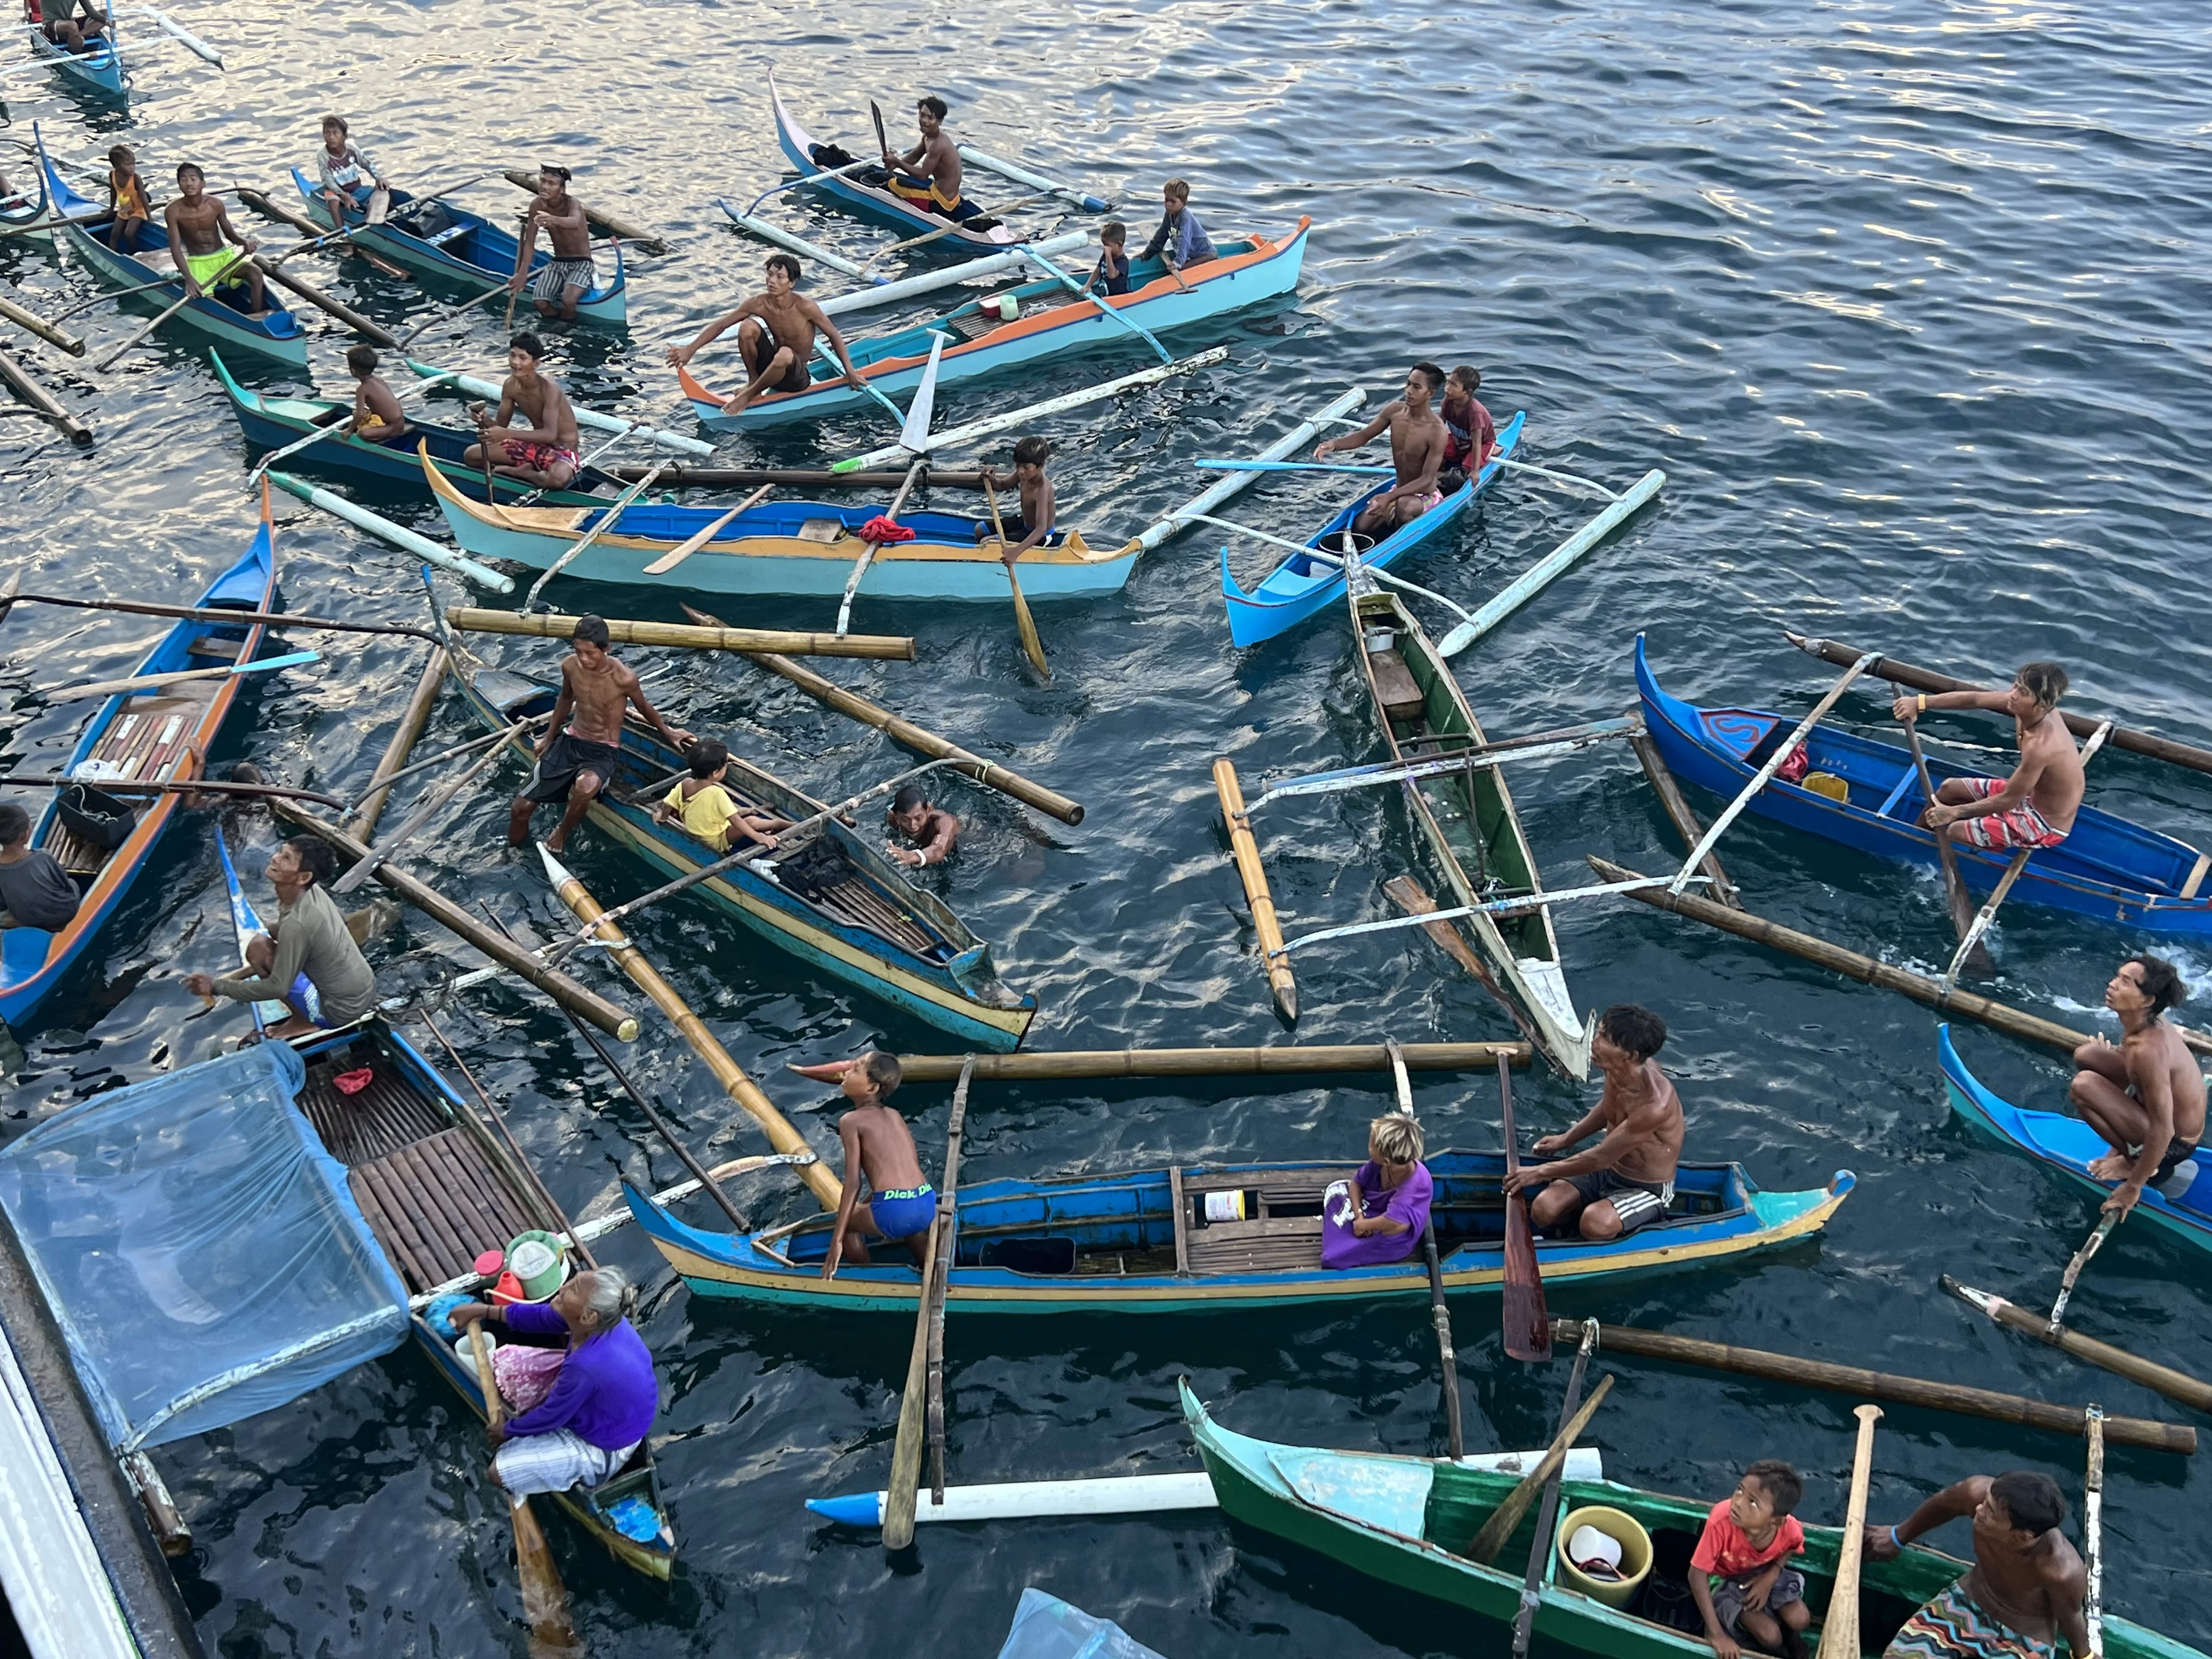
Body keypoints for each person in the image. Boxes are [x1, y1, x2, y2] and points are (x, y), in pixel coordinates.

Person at [449, 1267, 657, 1498]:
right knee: (508, 1368)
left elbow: (553, 1416)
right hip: (615, 1414)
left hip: (606, 1446)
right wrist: (482, 1310)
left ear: (589, 1316)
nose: (563, 1287)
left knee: (497, 1473)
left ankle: (583, 1474)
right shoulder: (605, 1323)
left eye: (573, 1290)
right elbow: (542, 1317)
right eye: (572, 1282)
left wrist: (506, 1431)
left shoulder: (585, 1365)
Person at [506, 613, 695, 855]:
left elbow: (644, 707)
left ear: (607, 649)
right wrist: (548, 737)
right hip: (571, 741)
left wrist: (668, 733)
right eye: (579, 651)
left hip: (602, 752)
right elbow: (565, 698)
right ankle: (512, 852)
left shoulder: (624, 678)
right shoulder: (570, 666)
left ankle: (561, 832)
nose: (584, 659)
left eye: (590, 653)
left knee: (585, 789)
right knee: (520, 808)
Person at [1504, 1003, 1684, 1239]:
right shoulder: (1615, 1069)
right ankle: (1576, 1230)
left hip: (1645, 1187)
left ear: (1630, 1056)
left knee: (1595, 1223)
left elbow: (1601, 1157)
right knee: (1543, 1209)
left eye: (1605, 1039)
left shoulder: (1654, 1106)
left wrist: (1539, 1172)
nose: (1594, 1041)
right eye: (1599, 1032)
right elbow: (1608, 1108)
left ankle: (1632, 1226)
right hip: (1606, 1172)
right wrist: (1565, 1140)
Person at [1866, 1472, 2091, 1659]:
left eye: (1991, 1512)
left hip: (2023, 1641)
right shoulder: (1977, 1494)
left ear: (2023, 1536)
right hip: (1965, 1603)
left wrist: (2084, 1656)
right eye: (1986, 1502)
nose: (1979, 1510)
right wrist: (1898, 1537)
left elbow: (2071, 1616)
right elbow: (1945, 1503)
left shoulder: (2061, 1571)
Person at [186, 836, 377, 1037]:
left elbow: (277, 988)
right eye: (280, 851)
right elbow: (340, 921)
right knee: (274, 929)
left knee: (258, 949)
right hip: (365, 989)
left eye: (286, 858)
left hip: (337, 1012)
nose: (275, 858)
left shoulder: (296, 924)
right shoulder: (313, 891)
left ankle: (302, 1021)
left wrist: (217, 986)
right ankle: (293, 984)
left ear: (303, 877)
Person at [1893, 663, 2083, 852]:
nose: (2013, 695)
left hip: (2045, 824)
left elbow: (2008, 800)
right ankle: (1914, 839)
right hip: (2027, 795)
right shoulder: (2022, 707)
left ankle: (1985, 861)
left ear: (2042, 705)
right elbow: (1975, 699)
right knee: (1949, 788)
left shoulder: (2042, 747)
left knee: (1955, 830)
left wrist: (1954, 812)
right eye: (2016, 686)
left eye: (2023, 693)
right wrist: (1919, 703)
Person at [2069, 954, 2204, 1215]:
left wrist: (2133, 1186)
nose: (2112, 984)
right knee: (2086, 1055)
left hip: (2174, 1144)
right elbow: (2137, 1073)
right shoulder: (2146, 1022)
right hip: (2161, 1120)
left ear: (2148, 1000)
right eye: (2117, 976)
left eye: (2126, 982)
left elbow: (2163, 1129)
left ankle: (2134, 1161)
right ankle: (2132, 1146)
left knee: (2083, 1085)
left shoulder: (2148, 1052)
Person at [662, 255, 868, 417]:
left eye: (779, 277)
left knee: (786, 354)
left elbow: (834, 335)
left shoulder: (805, 307)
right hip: (772, 368)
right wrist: (691, 349)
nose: (772, 281)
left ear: (792, 283)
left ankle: (748, 397)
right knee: (747, 327)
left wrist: (849, 371)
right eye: (769, 275)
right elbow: (722, 324)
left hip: (796, 378)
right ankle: (754, 382)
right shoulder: (759, 303)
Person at [800, 1051, 936, 1278]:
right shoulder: (895, 1115)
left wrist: (837, 1240)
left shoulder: (850, 1121)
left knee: (848, 1227)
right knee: (909, 1225)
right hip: (925, 1201)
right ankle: (928, 1270)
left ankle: (868, 1275)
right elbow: (906, 1167)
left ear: (872, 1088)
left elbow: (853, 1182)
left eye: (855, 1070)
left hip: (896, 1212)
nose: (846, 1072)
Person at [1312, 362, 1452, 539]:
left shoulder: (1436, 431)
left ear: (1430, 393)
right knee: (1360, 527)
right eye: (1408, 383)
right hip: (1399, 490)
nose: (1409, 391)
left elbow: (1426, 480)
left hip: (1425, 497)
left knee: (1404, 507)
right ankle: (1391, 528)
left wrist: (1390, 497)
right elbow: (1364, 436)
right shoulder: (1394, 411)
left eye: (1416, 387)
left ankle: (1399, 540)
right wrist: (1334, 444)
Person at [1689, 1460, 1810, 1659]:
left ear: (1776, 1521)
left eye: (1752, 1502)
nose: (1737, 1502)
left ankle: (1793, 1638)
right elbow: (1696, 1574)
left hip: (1763, 1572)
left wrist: (1771, 1576)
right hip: (1724, 1580)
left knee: (1801, 1619)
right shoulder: (1721, 1521)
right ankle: (1781, 1653)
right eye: (1739, 1490)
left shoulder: (1789, 1529)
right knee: (1770, 1636)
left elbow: (1793, 1545)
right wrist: (1717, 1634)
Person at [464, 333, 582, 489]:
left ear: (536, 363)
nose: (515, 362)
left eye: (523, 358)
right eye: (512, 355)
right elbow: (500, 427)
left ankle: (523, 473)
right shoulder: (510, 386)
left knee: (558, 480)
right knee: (471, 456)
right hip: (534, 446)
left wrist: (508, 434)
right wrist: (484, 420)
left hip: (562, 451)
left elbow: (550, 434)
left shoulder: (550, 389)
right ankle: (521, 472)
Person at [1321, 1113, 1433, 1270]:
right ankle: (1352, 1231)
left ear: (1387, 1161)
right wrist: (1360, 1216)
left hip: (1393, 1232)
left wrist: (1365, 1225)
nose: (1368, 1146)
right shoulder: (1379, 1164)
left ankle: (1348, 1237)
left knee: (1332, 1257)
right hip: (1375, 1212)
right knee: (1336, 1190)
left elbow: (1397, 1224)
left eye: (1371, 1144)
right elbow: (1356, 1183)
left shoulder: (1415, 1188)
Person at [651, 738, 791, 854]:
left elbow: (667, 804)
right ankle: (777, 824)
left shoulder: (685, 784)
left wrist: (663, 818)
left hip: (700, 830)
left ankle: (753, 812)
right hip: (716, 840)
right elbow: (735, 820)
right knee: (751, 821)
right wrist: (758, 837)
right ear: (716, 773)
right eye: (725, 765)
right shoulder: (717, 794)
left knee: (739, 812)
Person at [163, 162, 266, 315]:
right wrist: (189, 279)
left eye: (193, 179)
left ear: (203, 183)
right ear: (179, 185)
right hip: (199, 263)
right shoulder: (173, 211)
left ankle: (258, 317)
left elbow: (230, 234)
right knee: (208, 301)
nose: (189, 183)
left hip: (224, 257)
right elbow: (176, 248)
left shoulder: (215, 204)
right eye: (183, 180)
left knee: (256, 274)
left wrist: (245, 242)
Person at [510, 165, 597, 322]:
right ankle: (555, 325)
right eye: (542, 181)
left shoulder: (572, 203)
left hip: (582, 263)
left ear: (562, 189)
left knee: (568, 299)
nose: (544, 186)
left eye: (551, 183)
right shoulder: (536, 206)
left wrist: (552, 219)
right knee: (540, 302)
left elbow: (574, 222)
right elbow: (530, 243)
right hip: (558, 262)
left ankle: (568, 327)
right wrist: (522, 274)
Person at [879, 95, 977, 221]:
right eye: (922, 115)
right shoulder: (928, 136)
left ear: (940, 121)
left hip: (940, 202)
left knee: (892, 184)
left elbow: (922, 175)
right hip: (939, 192)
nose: (924, 120)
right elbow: (914, 157)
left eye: (930, 118)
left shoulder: (938, 145)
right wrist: (894, 164)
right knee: (897, 179)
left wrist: (897, 162)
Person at [0, 803, 80, 932]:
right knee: (73, 883)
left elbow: (2, 902)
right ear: (25, 835)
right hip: (65, 912)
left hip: (28, 919)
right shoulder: (43, 857)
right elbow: (63, 881)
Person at [980, 435, 1059, 565]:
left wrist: (1015, 552)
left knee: (986, 543)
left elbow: (1041, 529)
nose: (1021, 471)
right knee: (980, 530)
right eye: (1018, 466)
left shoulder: (1042, 489)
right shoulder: (1022, 474)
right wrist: (991, 478)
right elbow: (1002, 485)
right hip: (1024, 524)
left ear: (1040, 467)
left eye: (1026, 467)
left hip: (1041, 536)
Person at [1139, 179, 1216, 282]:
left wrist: (1178, 262)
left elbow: (1185, 241)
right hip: (1189, 255)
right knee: (1174, 268)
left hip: (1205, 255)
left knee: (1180, 269)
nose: (1168, 204)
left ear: (1184, 203)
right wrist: (1148, 253)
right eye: (1167, 200)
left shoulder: (1186, 218)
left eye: (1173, 201)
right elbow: (1161, 236)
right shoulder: (1169, 215)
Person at [313, 115, 387, 220]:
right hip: (336, 191)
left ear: (344, 136)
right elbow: (328, 181)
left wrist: (378, 178)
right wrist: (344, 196)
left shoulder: (351, 148)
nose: (331, 137)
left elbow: (366, 163)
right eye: (327, 133)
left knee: (383, 190)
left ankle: (375, 215)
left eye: (336, 133)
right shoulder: (322, 155)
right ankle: (342, 232)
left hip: (356, 188)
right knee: (333, 201)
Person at [341, 344, 408, 444]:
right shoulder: (379, 381)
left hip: (394, 428)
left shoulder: (362, 389)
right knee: (357, 414)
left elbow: (359, 415)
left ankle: (376, 439)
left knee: (362, 433)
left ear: (353, 370)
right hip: (400, 422)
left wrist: (349, 431)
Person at [1441, 364, 1497, 476]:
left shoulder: (1475, 412)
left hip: (1482, 444)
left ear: (1467, 392)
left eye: (1454, 385)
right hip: (1459, 440)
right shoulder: (1448, 401)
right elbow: (1438, 424)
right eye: (1448, 382)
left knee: (1464, 473)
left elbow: (1477, 442)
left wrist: (1475, 471)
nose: (1447, 388)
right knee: (1434, 451)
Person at [886, 783, 957, 870]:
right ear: (897, 817)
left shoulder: (945, 822)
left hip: (970, 839)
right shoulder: (893, 819)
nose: (913, 826)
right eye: (905, 820)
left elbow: (939, 849)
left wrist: (914, 856)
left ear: (929, 810)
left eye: (919, 818)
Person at [106, 144, 152, 249]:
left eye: (133, 164)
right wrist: (111, 209)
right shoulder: (112, 175)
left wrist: (149, 217)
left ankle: (134, 252)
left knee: (129, 233)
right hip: (123, 211)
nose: (132, 168)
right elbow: (113, 192)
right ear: (117, 166)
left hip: (138, 211)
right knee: (114, 234)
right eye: (128, 165)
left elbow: (144, 197)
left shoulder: (136, 178)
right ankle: (112, 254)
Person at [1086, 220, 1131, 296]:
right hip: (1105, 296)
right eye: (1104, 245)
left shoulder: (1123, 261)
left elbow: (1112, 275)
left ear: (1119, 244)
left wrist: (1109, 256)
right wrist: (1088, 285)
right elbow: (1098, 269)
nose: (1105, 248)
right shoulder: (1106, 255)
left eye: (1108, 246)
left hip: (1119, 298)